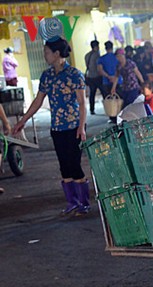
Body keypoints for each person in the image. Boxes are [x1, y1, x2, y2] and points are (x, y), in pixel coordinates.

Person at [13, 37, 88, 216]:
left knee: (74, 166)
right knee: (64, 166)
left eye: (47, 52)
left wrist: (82, 126)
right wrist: (22, 121)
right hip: (56, 128)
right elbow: (38, 101)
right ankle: (72, 202)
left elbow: (82, 103)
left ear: (56, 54)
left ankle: (84, 204)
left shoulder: (74, 74)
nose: (44, 55)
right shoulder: (47, 76)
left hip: (73, 127)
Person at [84, 40, 102, 115]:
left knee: (92, 93)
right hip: (97, 76)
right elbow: (98, 67)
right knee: (104, 92)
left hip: (90, 76)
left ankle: (92, 109)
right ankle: (108, 107)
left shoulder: (87, 55)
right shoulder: (97, 55)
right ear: (96, 46)